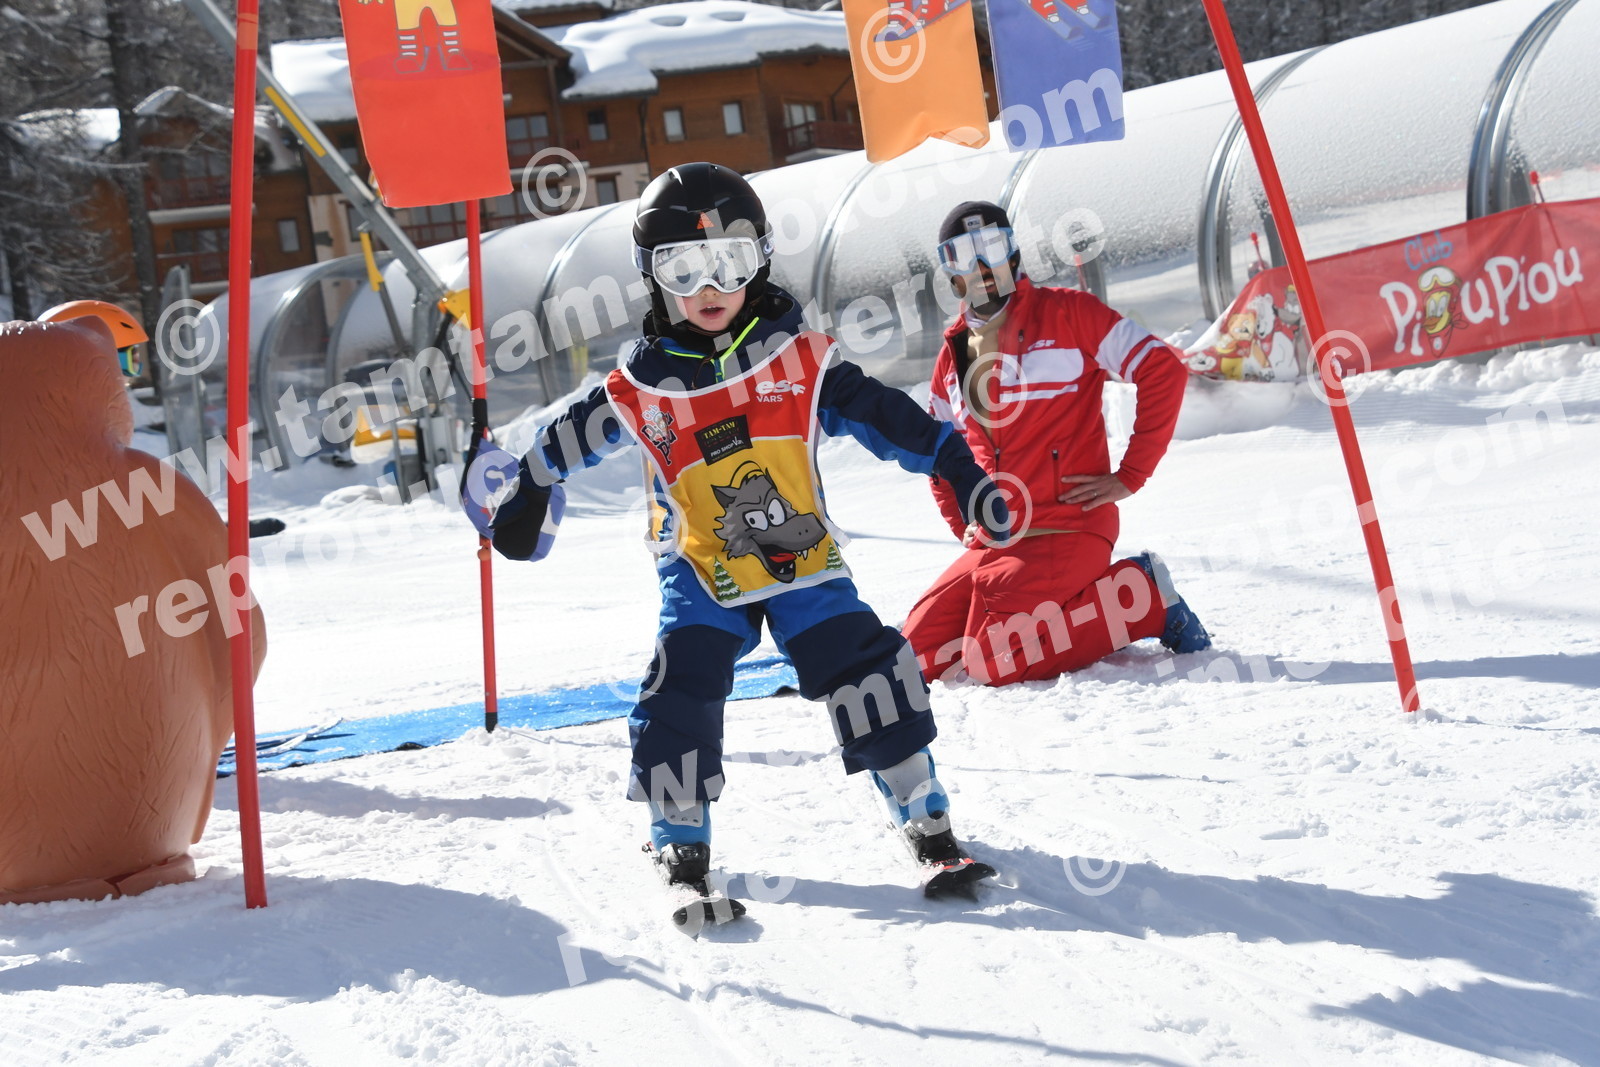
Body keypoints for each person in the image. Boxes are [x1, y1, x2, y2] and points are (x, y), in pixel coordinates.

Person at [487, 164, 1010, 897]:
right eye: (684, 268)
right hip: (702, 571)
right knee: (681, 685)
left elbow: (890, 418)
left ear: (759, 260)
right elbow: (565, 440)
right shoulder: (642, 389)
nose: (710, 287)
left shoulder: (799, 362)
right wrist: (529, 489)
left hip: (804, 562)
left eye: (730, 263)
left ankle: (923, 809)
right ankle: (679, 830)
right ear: (652, 275)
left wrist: (961, 469)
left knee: (866, 666)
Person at [903, 201, 1211, 688]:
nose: (981, 266)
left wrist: (1131, 474)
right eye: (963, 255)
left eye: (992, 248)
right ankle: (1078, 612)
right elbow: (939, 454)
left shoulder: (1070, 313)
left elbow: (1162, 368)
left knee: (993, 660)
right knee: (911, 658)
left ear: (1014, 253)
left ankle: (1142, 596)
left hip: (1068, 524)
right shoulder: (954, 355)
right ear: (949, 271)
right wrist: (964, 522)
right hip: (1000, 539)